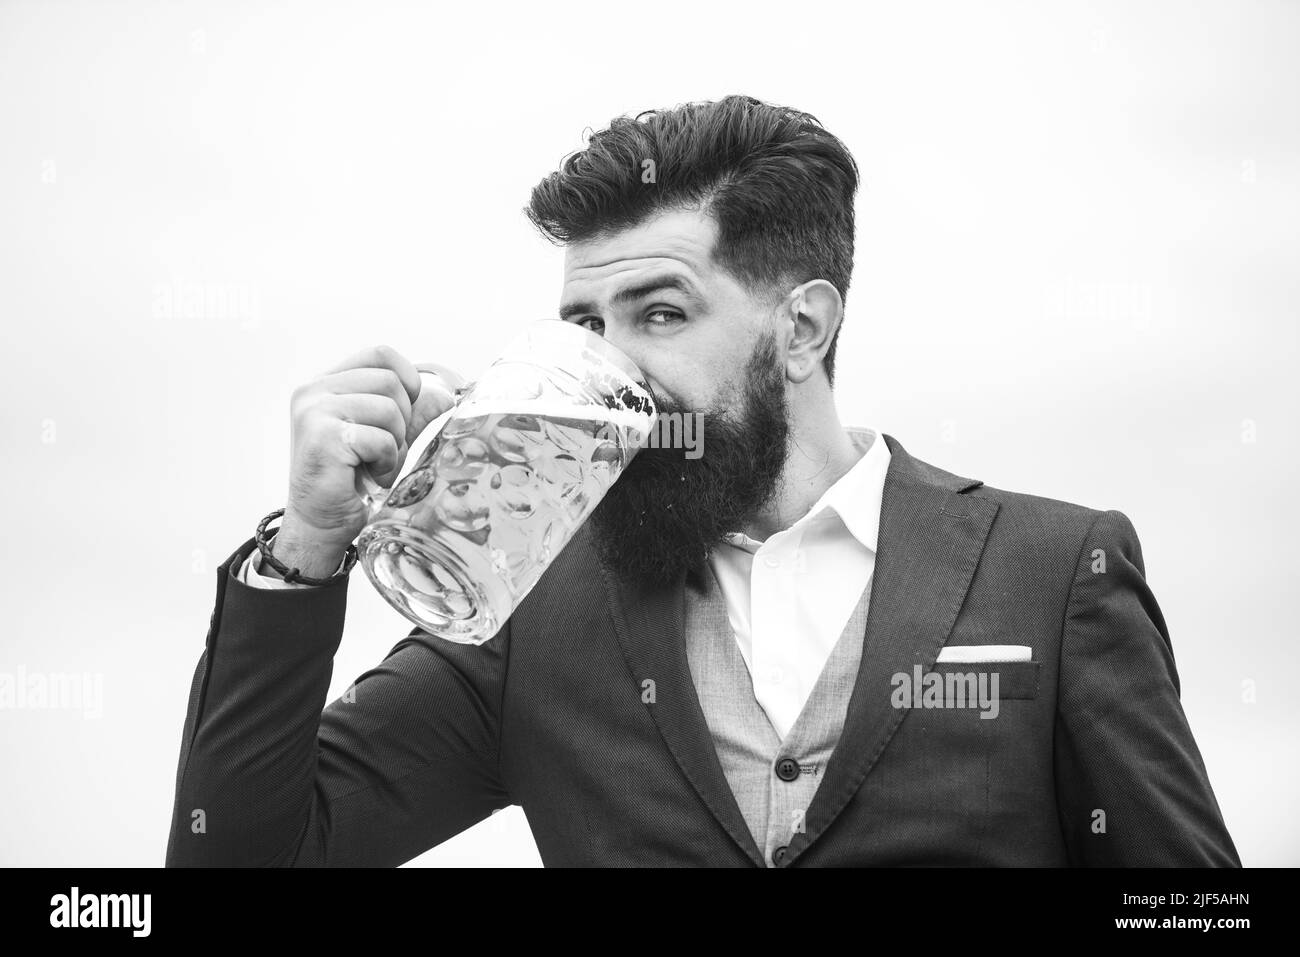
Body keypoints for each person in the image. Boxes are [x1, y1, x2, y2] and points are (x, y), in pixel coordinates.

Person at [164, 94, 1240, 867]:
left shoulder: (1053, 572)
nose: (609, 362)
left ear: (802, 328)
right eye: (585, 323)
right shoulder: (529, 610)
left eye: (660, 314)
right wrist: (305, 546)